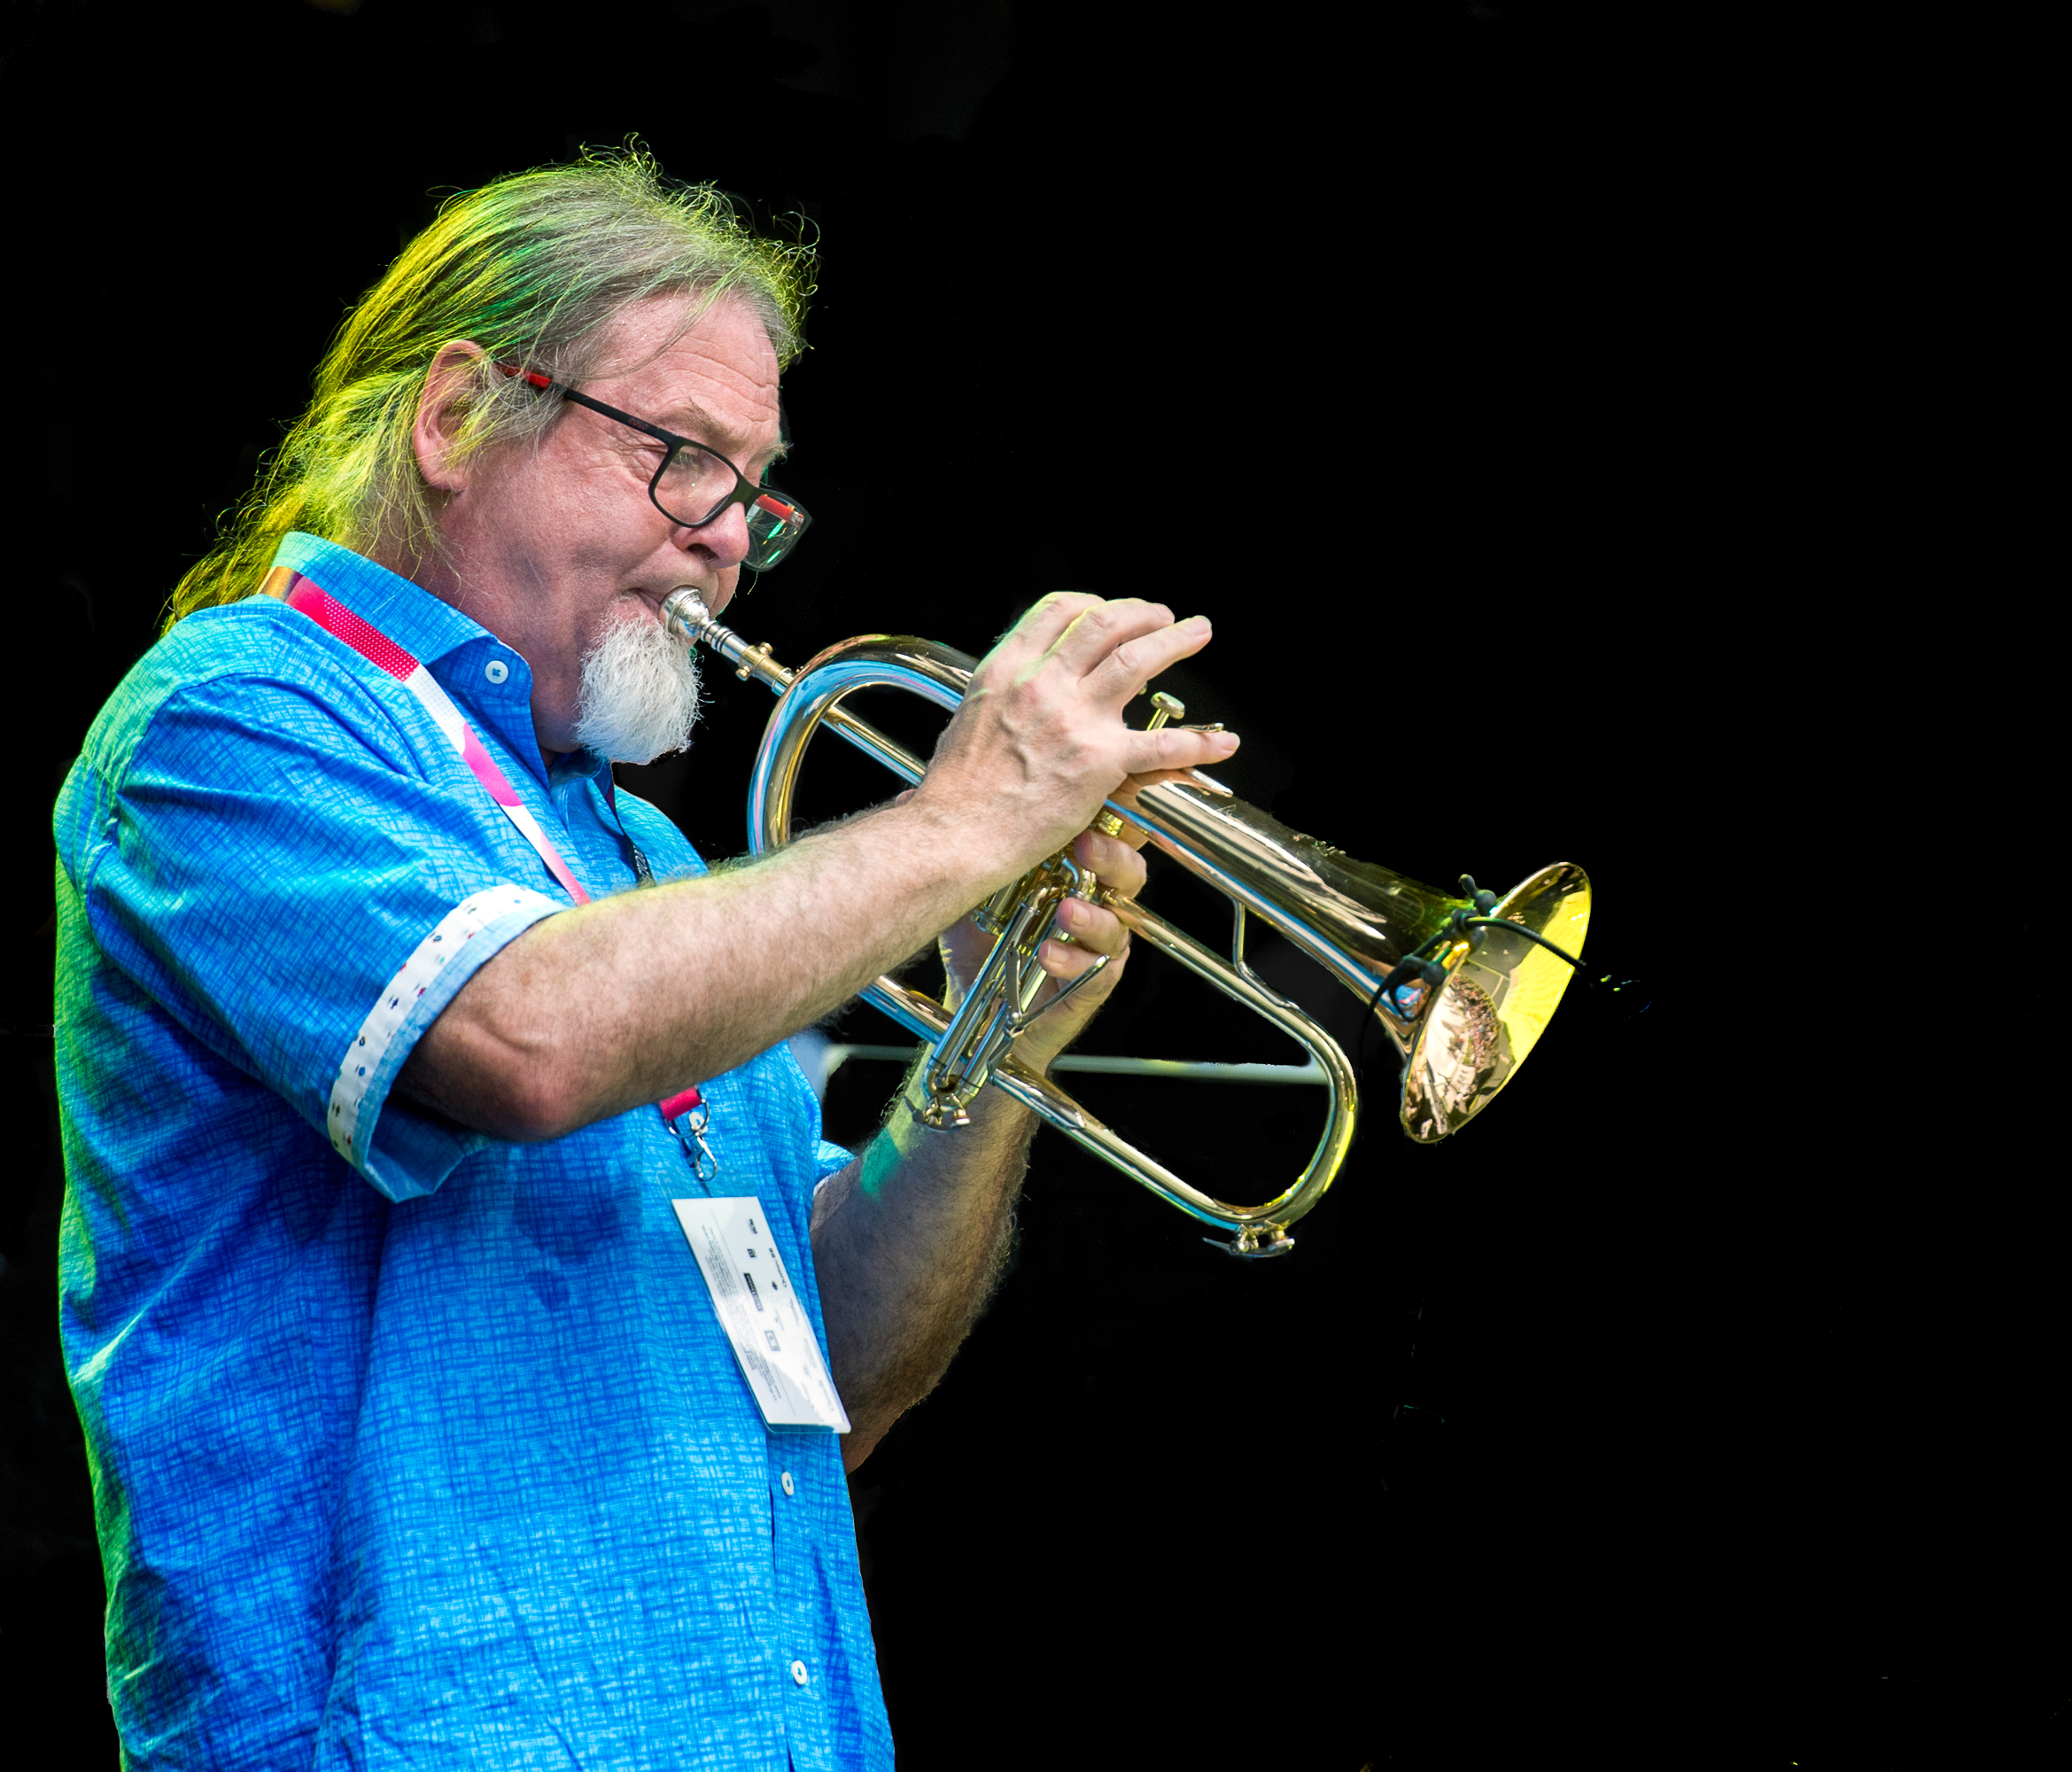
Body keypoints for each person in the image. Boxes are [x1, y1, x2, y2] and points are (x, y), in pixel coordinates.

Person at [52, 151, 1237, 1768]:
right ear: (459, 412)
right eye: (682, 459)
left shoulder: (644, 857)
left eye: (754, 491)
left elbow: (849, 1375)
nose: (727, 542)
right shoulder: (234, 716)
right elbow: (524, 1040)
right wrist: (966, 820)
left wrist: (996, 1041)